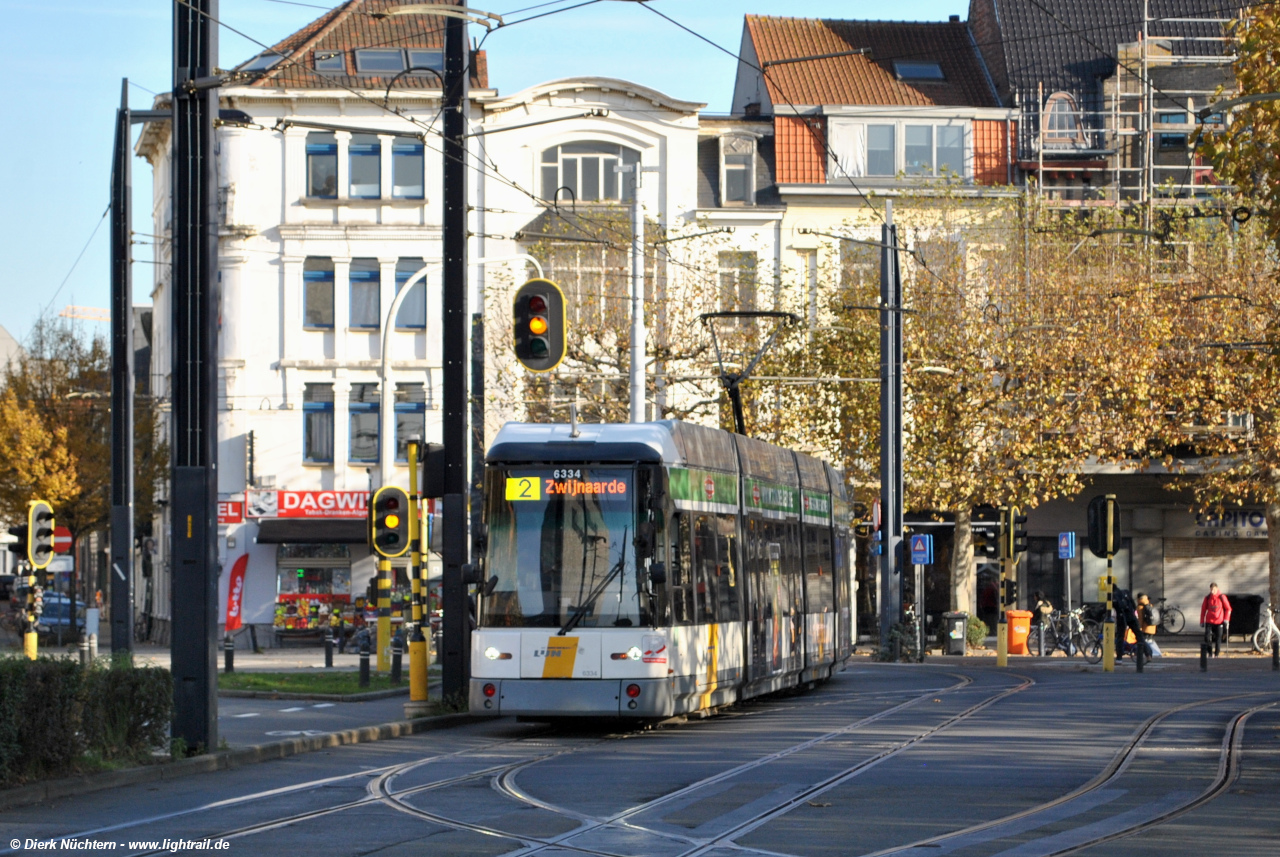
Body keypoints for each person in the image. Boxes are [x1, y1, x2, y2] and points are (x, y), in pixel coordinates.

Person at [1200, 582, 1231, 657]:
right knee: (1207, 637)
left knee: (1218, 638)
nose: (1212, 591)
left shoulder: (1222, 597)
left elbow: (1228, 608)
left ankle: (1216, 653)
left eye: (1213, 590)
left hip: (1219, 621)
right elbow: (1203, 610)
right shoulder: (1207, 598)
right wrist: (1202, 621)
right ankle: (1210, 653)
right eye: (1211, 590)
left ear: (1217, 589)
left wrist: (1226, 619)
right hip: (1209, 621)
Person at [1136, 593, 1162, 658]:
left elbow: (1140, 619)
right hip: (1153, 627)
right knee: (1150, 640)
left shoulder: (1140, 607)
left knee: (1145, 641)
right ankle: (1157, 652)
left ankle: (1150, 653)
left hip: (1146, 628)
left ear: (1138, 599)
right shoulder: (1150, 605)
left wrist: (1140, 627)